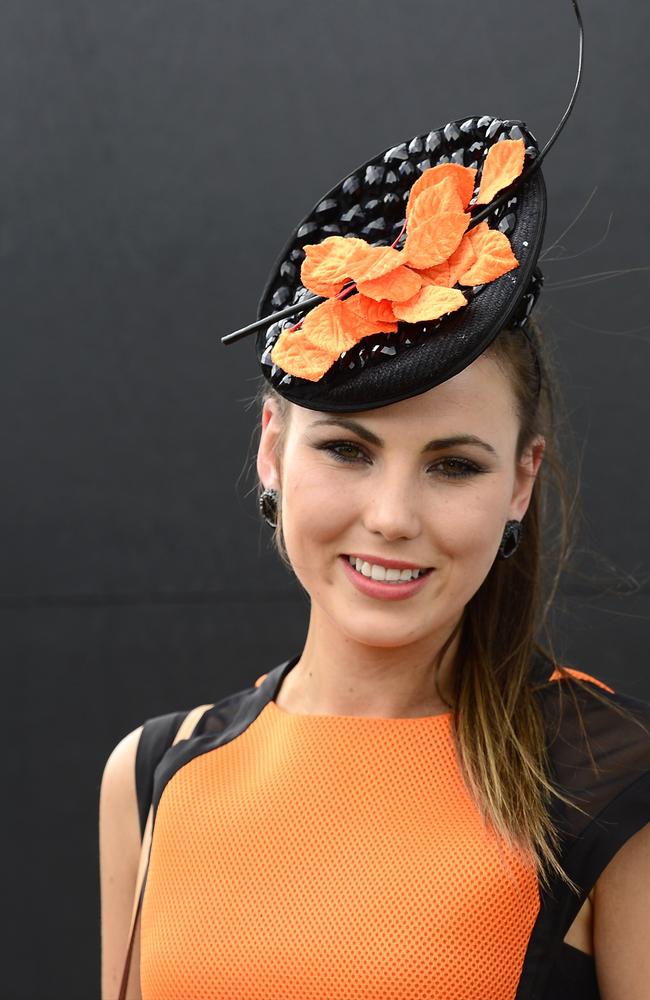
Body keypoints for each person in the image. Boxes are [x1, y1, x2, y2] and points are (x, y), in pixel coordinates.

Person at [99, 4, 650, 998]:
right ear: (272, 448)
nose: (391, 514)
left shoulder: (610, 775)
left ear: (520, 477)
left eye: (451, 464)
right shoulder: (152, 772)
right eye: (349, 448)